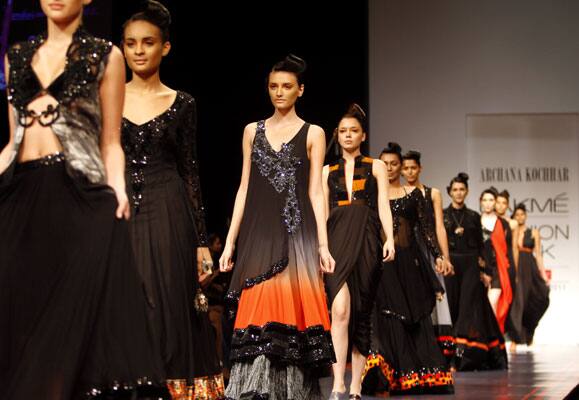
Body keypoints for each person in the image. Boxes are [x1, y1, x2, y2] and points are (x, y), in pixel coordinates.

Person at [0, 0, 168, 398]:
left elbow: (110, 142)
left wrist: (118, 189)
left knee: (69, 324)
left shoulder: (106, 56)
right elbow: (12, 143)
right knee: (20, 317)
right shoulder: (18, 57)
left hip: (78, 197)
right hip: (22, 198)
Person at [121, 2, 224, 398]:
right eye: (131, 43)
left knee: (169, 298)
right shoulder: (108, 97)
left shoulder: (183, 103)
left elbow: (190, 171)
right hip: (123, 207)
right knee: (129, 296)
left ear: (165, 47)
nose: (139, 50)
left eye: (148, 42)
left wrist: (201, 240)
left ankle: (172, 388)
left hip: (169, 208)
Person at [219, 54, 336, 399]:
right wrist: (229, 244)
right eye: (273, 86)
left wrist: (323, 245)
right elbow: (243, 188)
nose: (279, 92)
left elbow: (316, 191)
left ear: (301, 90)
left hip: (296, 238)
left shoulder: (313, 132)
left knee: (290, 316)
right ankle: (254, 388)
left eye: (287, 86)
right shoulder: (250, 132)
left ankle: (288, 391)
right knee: (257, 312)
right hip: (257, 237)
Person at [363, 143, 454, 396]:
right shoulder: (371, 195)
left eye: (394, 164)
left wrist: (439, 256)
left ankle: (415, 375)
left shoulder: (413, 195)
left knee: (414, 317)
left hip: (410, 264)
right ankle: (387, 375)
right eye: (385, 164)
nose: (389, 168)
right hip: (382, 263)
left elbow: (425, 230)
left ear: (401, 166)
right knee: (386, 316)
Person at [322, 104, 395, 399]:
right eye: (343, 131)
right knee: (339, 310)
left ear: (362, 135)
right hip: (336, 240)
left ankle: (356, 386)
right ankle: (338, 380)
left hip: (367, 241)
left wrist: (388, 238)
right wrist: (320, 246)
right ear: (337, 136)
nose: (348, 135)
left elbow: (383, 206)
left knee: (362, 313)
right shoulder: (328, 170)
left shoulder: (375, 166)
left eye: (353, 131)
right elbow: (322, 213)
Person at [443, 173, 508, 370]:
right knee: (452, 308)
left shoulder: (473, 216)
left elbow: (481, 247)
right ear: (449, 192)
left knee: (466, 309)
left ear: (467, 192)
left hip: (471, 265)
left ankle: (461, 358)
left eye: (462, 189)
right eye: (455, 189)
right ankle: (449, 356)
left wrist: (484, 271)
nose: (458, 193)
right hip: (451, 266)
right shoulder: (444, 215)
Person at [401, 150, 455, 361]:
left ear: (420, 168)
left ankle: (437, 348)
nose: (409, 171)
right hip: (407, 249)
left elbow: (439, 227)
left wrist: (444, 256)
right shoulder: (397, 191)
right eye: (405, 168)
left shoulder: (432, 193)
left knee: (435, 295)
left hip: (428, 249)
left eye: (413, 167)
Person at [508, 204, 550, 352]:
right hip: (517, 268)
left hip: (530, 268)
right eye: (517, 214)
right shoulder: (513, 231)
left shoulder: (534, 232)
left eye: (522, 214)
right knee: (518, 304)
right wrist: (515, 272)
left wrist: (543, 274)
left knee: (537, 299)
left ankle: (529, 333)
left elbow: (538, 255)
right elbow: (513, 251)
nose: (520, 217)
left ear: (526, 215)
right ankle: (515, 339)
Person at [480, 187, 515, 333]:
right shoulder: (475, 221)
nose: (488, 203)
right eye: (485, 200)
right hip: (478, 270)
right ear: (480, 202)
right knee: (479, 306)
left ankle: (493, 340)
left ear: (495, 202)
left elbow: (507, 250)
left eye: (491, 200)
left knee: (492, 303)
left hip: (497, 270)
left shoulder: (504, 224)